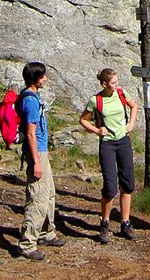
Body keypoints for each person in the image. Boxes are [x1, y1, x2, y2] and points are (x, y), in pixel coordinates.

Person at [78, 68, 139, 244]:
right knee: (110, 186)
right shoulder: (96, 100)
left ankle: (125, 223)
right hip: (107, 144)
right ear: (105, 84)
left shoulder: (121, 93)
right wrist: (97, 130)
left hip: (123, 141)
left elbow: (133, 106)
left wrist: (131, 124)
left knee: (128, 184)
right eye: (114, 83)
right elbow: (83, 119)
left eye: (117, 82)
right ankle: (104, 223)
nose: (117, 85)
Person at [16, 62, 64, 260]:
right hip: (37, 153)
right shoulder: (31, 101)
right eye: (43, 76)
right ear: (35, 79)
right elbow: (31, 133)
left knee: (49, 193)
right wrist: (36, 161)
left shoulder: (33, 97)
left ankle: (46, 232)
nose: (46, 79)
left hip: (42, 151)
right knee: (37, 197)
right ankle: (27, 244)